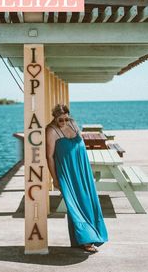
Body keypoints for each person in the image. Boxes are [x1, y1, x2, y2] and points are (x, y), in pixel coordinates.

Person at [45, 104, 108, 253]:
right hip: (67, 172)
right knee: (74, 205)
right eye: (61, 120)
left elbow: (79, 144)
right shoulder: (51, 131)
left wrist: (87, 169)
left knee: (89, 202)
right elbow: (49, 157)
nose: (64, 122)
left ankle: (81, 239)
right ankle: (86, 240)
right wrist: (54, 178)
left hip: (83, 170)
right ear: (55, 118)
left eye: (66, 118)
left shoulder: (72, 123)